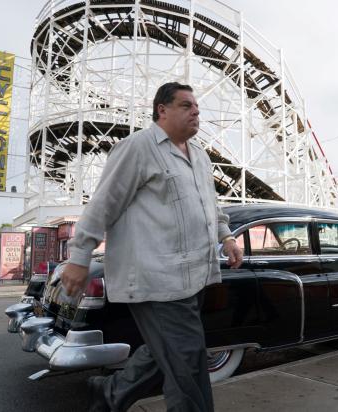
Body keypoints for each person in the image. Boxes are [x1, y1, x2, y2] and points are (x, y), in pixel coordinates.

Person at [62, 82, 243, 412]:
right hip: (156, 277)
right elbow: (103, 204)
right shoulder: (138, 148)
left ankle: (109, 393)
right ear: (162, 109)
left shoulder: (200, 156)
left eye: (197, 107)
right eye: (186, 105)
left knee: (166, 353)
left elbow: (210, 206)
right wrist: (79, 256)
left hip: (195, 276)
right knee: (188, 365)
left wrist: (227, 237)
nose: (196, 111)